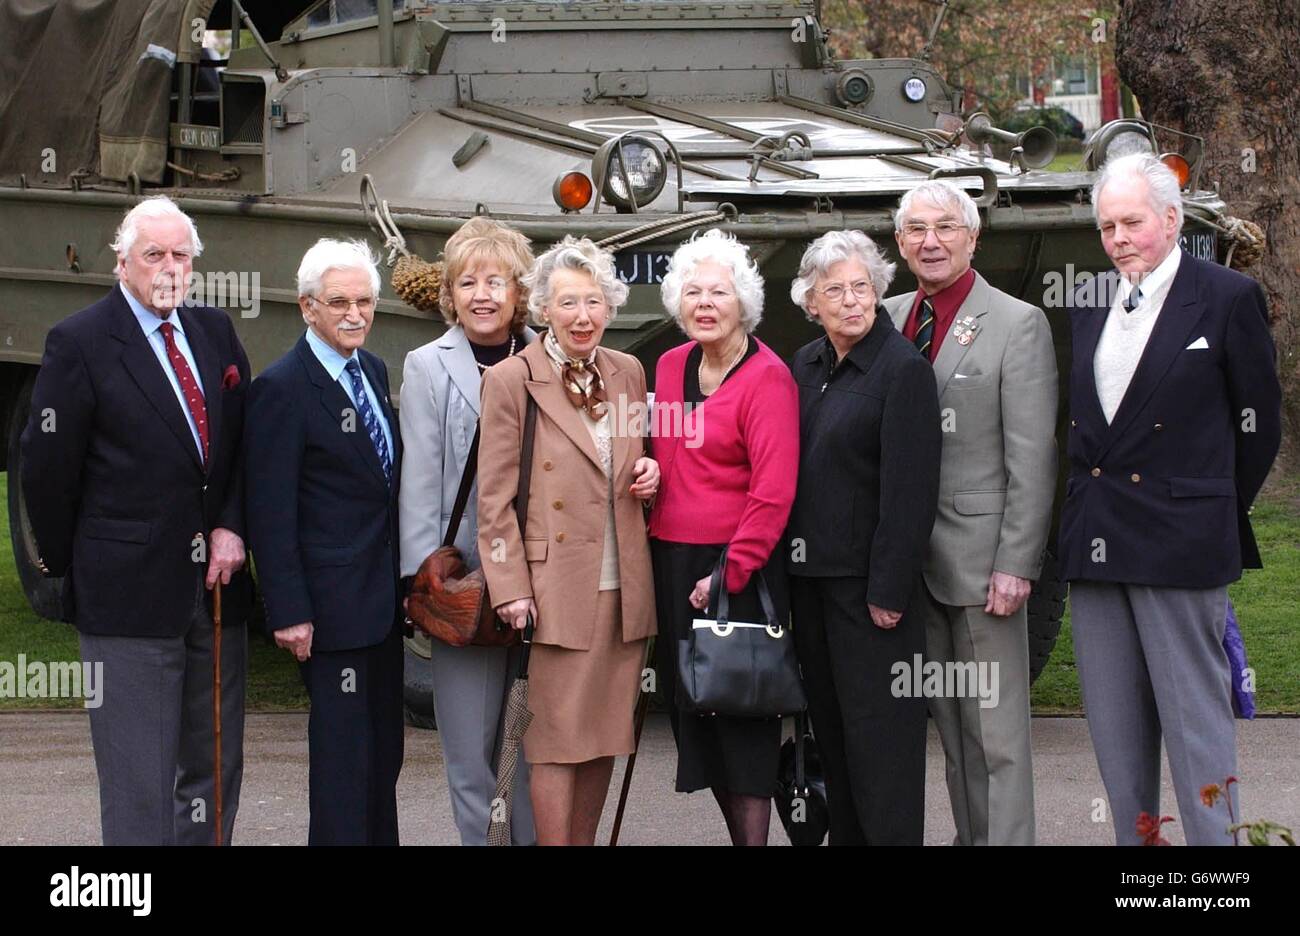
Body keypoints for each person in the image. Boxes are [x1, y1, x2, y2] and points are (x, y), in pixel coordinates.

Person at [1060, 152, 1281, 845]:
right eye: (1106, 227)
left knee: (1196, 732)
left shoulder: (1224, 297)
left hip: (1182, 545)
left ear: (1171, 219)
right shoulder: (1089, 301)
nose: (1119, 237)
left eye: (1131, 222)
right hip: (1097, 545)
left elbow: (1259, 424)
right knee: (1118, 744)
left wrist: (1208, 506)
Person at [20, 195, 252, 845]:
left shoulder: (215, 333)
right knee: (138, 784)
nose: (169, 267)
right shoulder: (81, 342)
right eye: (154, 255)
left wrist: (233, 525)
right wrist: (75, 569)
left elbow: (241, 445)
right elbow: (47, 469)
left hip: (216, 595)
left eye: (182, 255)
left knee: (214, 772)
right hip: (125, 595)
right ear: (123, 263)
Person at [882, 180, 1058, 845]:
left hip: (984, 566)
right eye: (916, 230)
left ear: (973, 236)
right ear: (900, 243)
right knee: (954, 734)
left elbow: (1032, 457)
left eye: (946, 227)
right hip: (907, 564)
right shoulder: (884, 316)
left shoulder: (1018, 323)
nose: (931, 241)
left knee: (999, 738)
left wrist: (1017, 563)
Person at [477, 236, 659, 845]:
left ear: (609, 307)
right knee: (554, 742)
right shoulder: (511, 380)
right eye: (568, 303)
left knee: (605, 735)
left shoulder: (628, 373)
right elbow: (494, 500)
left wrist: (651, 475)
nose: (583, 316)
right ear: (543, 310)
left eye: (594, 302)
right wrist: (508, 587)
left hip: (623, 585)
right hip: (553, 591)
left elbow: (639, 461)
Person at [245, 238, 405, 845]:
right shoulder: (283, 388)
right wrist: (289, 611)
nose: (354, 314)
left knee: (382, 757)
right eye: (338, 302)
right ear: (307, 307)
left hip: (382, 609)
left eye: (364, 301)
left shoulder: (373, 369)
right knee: (343, 766)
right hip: (329, 614)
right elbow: (271, 509)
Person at [785, 229, 941, 845]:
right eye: (835, 291)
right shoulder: (804, 364)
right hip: (811, 588)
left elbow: (910, 493)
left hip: (871, 598)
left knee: (884, 753)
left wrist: (889, 591)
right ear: (811, 301)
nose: (852, 301)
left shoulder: (903, 371)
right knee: (837, 743)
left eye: (862, 288)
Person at [647, 229, 799, 846]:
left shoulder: (769, 378)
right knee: (698, 717)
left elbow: (774, 492)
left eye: (718, 291)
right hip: (672, 563)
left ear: (743, 303)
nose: (704, 302)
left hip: (736, 569)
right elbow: (661, 452)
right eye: (692, 291)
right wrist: (650, 471)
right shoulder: (668, 364)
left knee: (742, 719)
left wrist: (729, 575)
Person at [398, 217, 538, 845]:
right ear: (449, 294)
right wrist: (420, 576)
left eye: (497, 280)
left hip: (543, 577)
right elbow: (422, 479)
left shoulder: (552, 355)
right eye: (467, 282)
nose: (482, 295)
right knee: (470, 752)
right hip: (465, 586)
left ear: (519, 292)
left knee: (539, 746)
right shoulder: (427, 365)